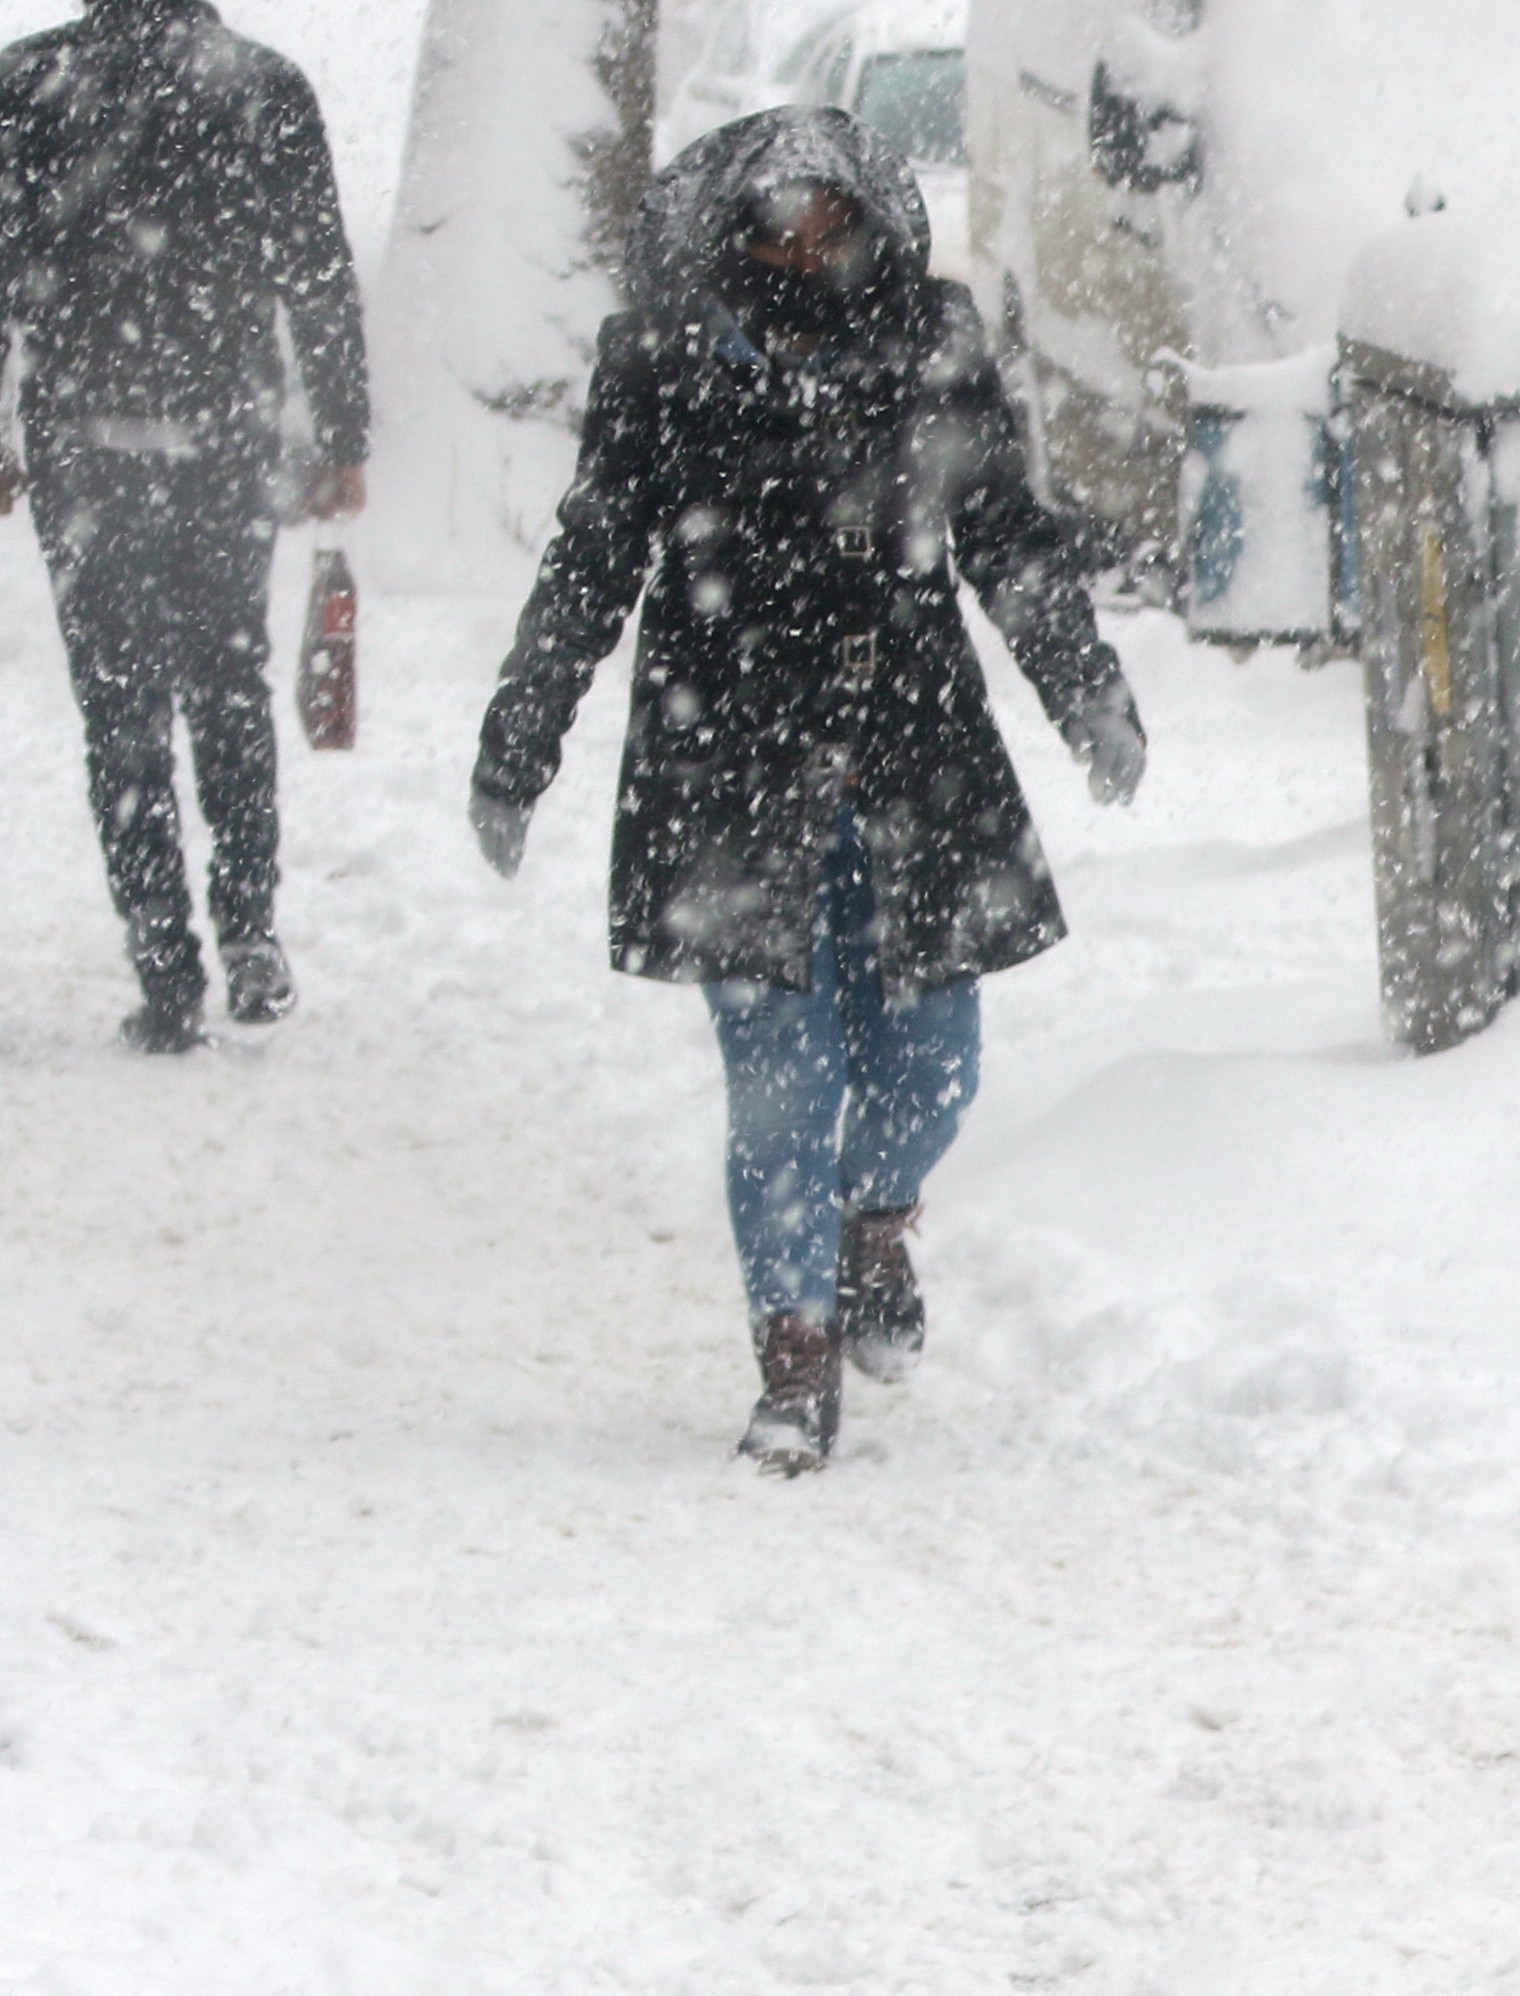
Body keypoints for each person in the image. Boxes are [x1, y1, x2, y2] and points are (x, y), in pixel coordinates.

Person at [471, 109, 1140, 1475]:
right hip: (724, 763)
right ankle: (793, 1347)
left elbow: (1004, 532)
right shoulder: (664, 358)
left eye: (827, 221)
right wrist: (518, 738)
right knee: (776, 1083)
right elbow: (595, 553)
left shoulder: (932, 337)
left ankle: (875, 1221)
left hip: (914, 752)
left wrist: (1086, 689)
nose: (804, 247)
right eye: (778, 225)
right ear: (735, 232)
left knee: (934, 1071)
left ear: (866, 221)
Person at [0, 0, 365, 1052]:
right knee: (229, 684)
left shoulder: (30, 88)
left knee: (118, 710)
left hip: (87, 443)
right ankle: (249, 924)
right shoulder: (263, 86)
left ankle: (164, 963)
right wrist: (342, 432)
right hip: (222, 439)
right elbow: (317, 271)